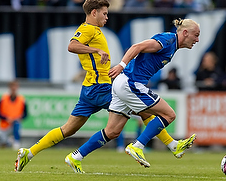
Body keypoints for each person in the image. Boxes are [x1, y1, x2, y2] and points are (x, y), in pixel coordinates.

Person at [14, 0, 195, 172]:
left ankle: (29, 153)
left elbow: (92, 13)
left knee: (71, 129)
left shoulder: (93, 27)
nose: (107, 17)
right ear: (94, 13)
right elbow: (72, 45)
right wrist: (96, 51)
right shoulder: (88, 29)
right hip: (102, 87)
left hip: (90, 88)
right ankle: (169, 145)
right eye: (104, 13)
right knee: (145, 111)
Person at [64, 18, 199, 171]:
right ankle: (138, 146)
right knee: (169, 115)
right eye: (196, 35)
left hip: (123, 84)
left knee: (112, 131)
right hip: (130, 83)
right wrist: (121, 65)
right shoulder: (168, 40)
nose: (197, 39)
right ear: (186, 33)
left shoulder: (172, 45)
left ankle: (76, 157)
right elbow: (137, 46)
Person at [0, 80, 27, 149]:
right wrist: (6, 118)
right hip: (4, 126)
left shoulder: (21, 100)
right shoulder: (3, 98)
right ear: (9, 88)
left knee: (16, 124)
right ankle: (9, 141)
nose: (14, 89)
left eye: (15, 87)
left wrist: (18, 118)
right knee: (4, 143)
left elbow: (25, 114)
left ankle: (16, 142)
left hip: (15, 125)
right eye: (12, 87)